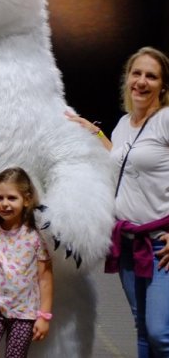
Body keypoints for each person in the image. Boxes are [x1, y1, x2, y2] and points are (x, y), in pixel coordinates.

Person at [67, 46, 169, 357]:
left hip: (157, 244)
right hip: (126, 242)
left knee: (160, 332)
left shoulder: (165, 119)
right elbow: (121, 162)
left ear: (163, 86)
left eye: (150, 76)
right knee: (141, 328)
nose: (141, 81)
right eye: (136, 73)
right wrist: (94, 133)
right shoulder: (125, 123)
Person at [0, 167, 53, 358]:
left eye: (11, 198)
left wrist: (44, 316)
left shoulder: (36, 238)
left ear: (26, 200)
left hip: (24, 314)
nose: (4, 204)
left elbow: (45, 278)